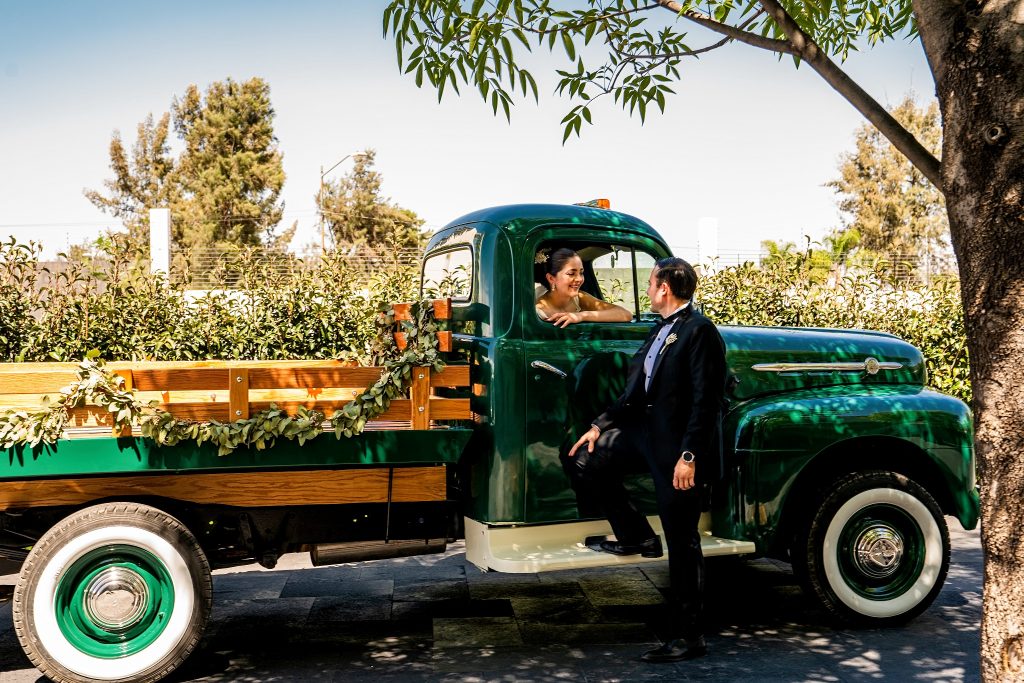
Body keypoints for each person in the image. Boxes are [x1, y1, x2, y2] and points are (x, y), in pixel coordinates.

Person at [566, 257, 727, 663]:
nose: (648, 289)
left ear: (664, 289)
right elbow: (635, 391)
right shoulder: (660, 329)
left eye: (651, 282)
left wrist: (689, 457)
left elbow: (706, 402)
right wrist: (600, 427)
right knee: (583, 458)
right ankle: (636, 534)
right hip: (644, 433)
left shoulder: (700, 332)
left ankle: (688, 635)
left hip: (677, 447)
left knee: (682, 540)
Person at [535, 248, 631, 327]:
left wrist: (581, 316)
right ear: (551, 278)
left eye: (581, 273)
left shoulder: (579, 298)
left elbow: (625, 315)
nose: (579, 279)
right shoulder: (538, 311)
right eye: (571, 273)